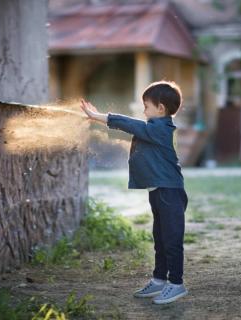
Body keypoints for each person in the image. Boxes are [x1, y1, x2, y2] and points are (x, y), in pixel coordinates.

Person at [80, 80, 188, 305]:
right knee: (160, 239)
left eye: (146, 106)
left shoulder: (160, 129)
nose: (143, 110)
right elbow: (134, 131)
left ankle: (176, 284)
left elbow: (131, 125)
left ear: (160, 108)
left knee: (171, 240)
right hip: (159, 191)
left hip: (170, 192)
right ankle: (159, 280)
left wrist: (102, 117)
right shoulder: (153, 129)